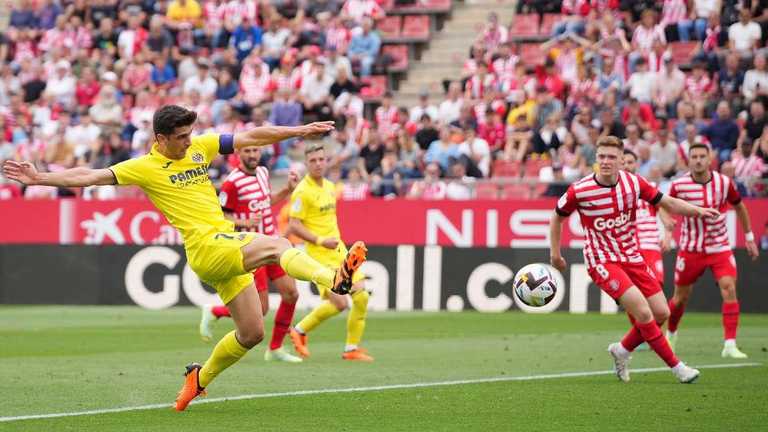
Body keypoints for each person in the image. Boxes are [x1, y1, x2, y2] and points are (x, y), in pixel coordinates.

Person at [1, 105, 368, 411]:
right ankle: (333, 279)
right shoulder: (143, 166)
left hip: (225, 245)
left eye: (190, 133)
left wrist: (298, 131)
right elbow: (90, 175)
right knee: (275, 244)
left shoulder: (199, 148)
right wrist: (40, 178)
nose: (189, 141)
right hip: (207, 248)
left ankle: (198, 379)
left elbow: (252, 136)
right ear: (160, 139)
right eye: (180, 136)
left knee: (252, 332)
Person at [549, 135, 719, 384]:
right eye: (601, 156)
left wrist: (698, 210)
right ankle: (677, 367)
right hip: (602, 261)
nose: (606, 161)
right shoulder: (580, 189)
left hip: (632, 256)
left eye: (611, 157)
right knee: (642, 311)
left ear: (621, 160)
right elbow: (557, 217)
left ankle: (622, 350)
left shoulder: (634, 183)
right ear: (596, 159)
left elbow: (667, 202)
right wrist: (555, 253)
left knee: (661, 312)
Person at [198, 144, 303, 363]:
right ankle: (216, 311)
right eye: (248, 151)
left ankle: (275, 349)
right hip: (250, 249)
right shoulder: (232, 182)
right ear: (239, 154)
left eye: (256, 151)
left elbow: (266, 202)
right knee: (261, 309)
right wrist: (244, 222)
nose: (253, 155)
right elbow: (222, 216)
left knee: (291, 293)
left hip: (272, 243)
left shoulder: (264, 172)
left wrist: (287, 190)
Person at [666, 143, 760, 358]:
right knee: (680, 298)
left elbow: (740, 206)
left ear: (710, 159)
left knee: (729, 288)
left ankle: (729, 344)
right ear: (688, 160)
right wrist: (668, 227)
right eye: (694, 156)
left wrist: (749, 237)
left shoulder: (724, 183)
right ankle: (671, 335)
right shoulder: (679, 185)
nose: (698, 160)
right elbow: (664, 206)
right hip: (690, 248)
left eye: (702, 156)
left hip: (719, 246)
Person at [287, 143, 373, 362]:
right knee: (340, 303)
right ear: (306, 164)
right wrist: (320, 240)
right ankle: (299, 330)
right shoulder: (302, 192)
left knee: (361, 296)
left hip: (340, 251)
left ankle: (351, 348)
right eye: (313, 160)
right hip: (318, 255)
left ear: (326, 161)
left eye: (321, 159)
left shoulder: (330, 186)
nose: (317, 164)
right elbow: (294, 225)